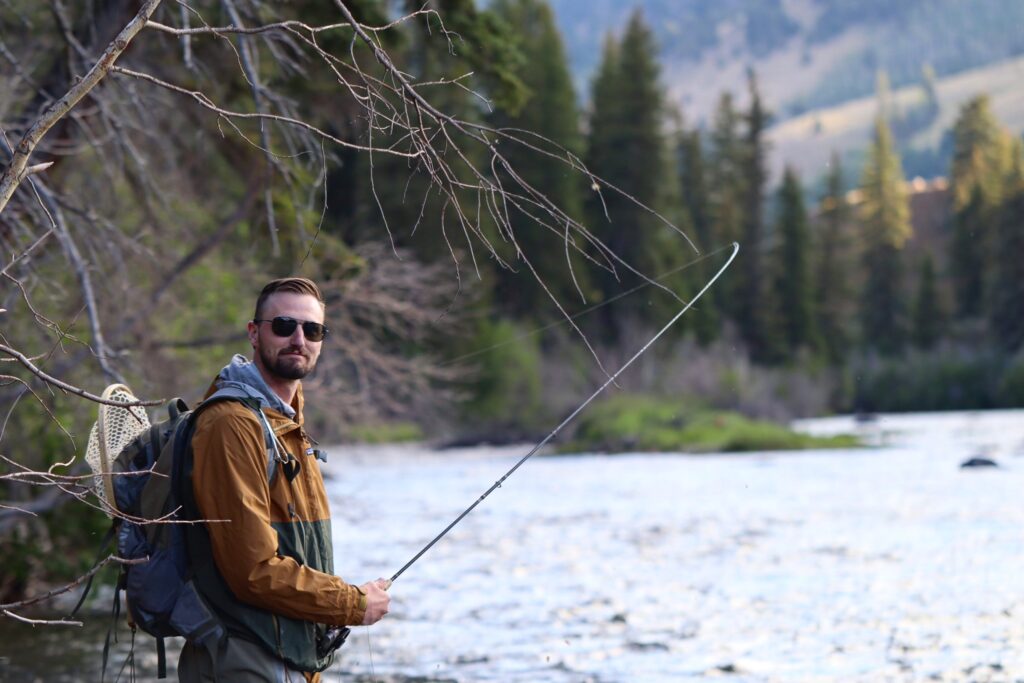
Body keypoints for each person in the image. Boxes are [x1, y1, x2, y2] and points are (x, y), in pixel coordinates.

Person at [178, 277, 390, 682]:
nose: (299, 338)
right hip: (243, 658)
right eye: (284, 326)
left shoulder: (287, 425)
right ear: (254, 333)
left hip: (285, 658)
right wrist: (351, 603)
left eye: (312, 330)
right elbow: (253, 570)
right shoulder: (231, 425)